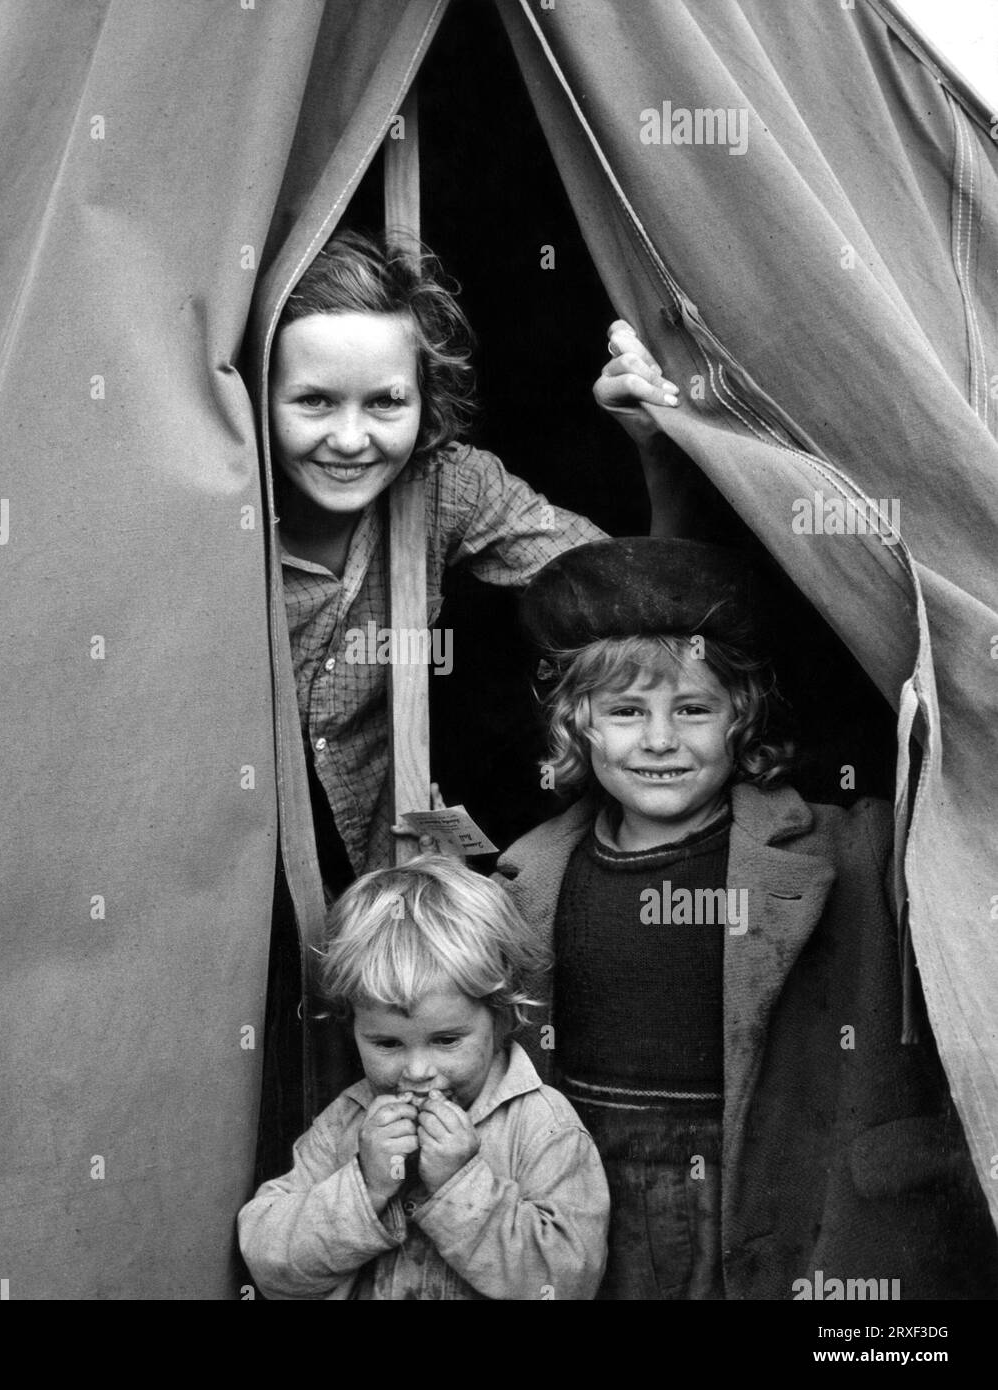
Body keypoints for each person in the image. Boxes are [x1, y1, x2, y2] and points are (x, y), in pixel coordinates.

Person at [495, 532, 998, 1299]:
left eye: (693, 708)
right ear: (575, 724)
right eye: (625, 710)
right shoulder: (522, 877)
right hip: (586, 1203)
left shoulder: (846, 850)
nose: (660, 740)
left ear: (742, 716)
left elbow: (967, 768)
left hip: (769, 1199)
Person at [271, 230, 611, 889]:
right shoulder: (211, 512)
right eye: (313, 400)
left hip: (376, 878)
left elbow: (621, 585)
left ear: (424, 399)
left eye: (384, 402)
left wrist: (655, 446)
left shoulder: (444, 485)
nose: (349, 439)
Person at [237, 854, 609, 1299]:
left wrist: (461, 1184)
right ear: (351, 1027)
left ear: (502, 1020)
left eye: (446, 1040)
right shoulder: (346, 1121)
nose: (416, 1072)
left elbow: (567, 1282)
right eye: (388, 1044)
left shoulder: (544, 1127)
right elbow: (268, 1261)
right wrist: (365, 1185)